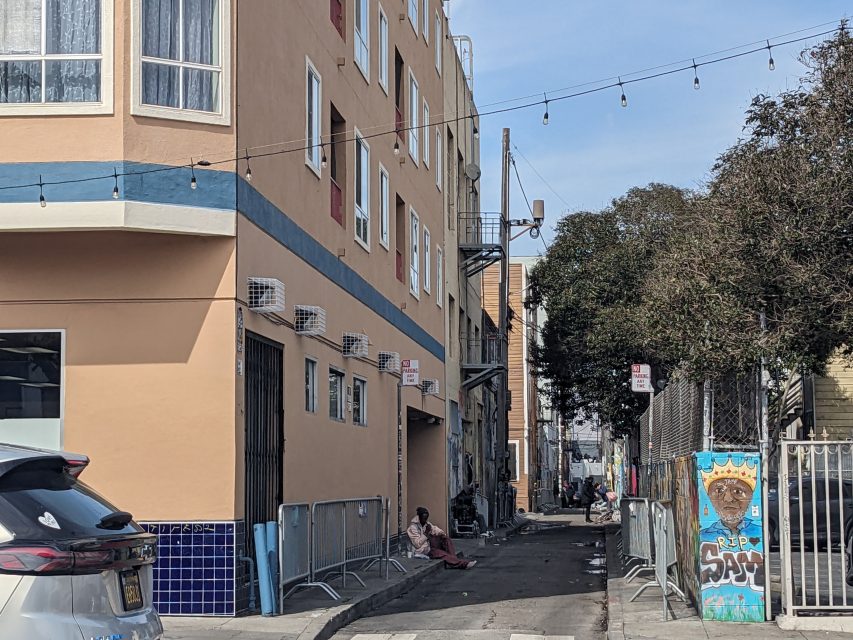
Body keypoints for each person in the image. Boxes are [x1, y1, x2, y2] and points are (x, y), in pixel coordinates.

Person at [407, 507, 476, 569]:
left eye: (426, 518)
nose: (425, 520)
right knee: (440, 553)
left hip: (429, 546)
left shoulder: (426, 524)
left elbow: (435, 529)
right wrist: (426, 533)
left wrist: (442, 534)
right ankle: (463, 564)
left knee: (446, 539)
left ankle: (453, 560)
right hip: (422, 551)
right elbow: (417, 544)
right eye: (424, 518)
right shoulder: (413, 528)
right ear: (419, 517)